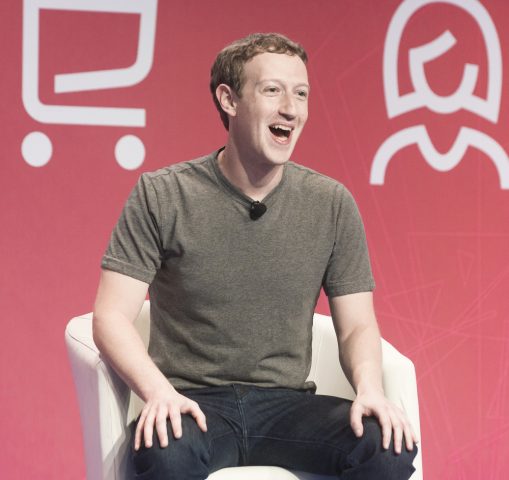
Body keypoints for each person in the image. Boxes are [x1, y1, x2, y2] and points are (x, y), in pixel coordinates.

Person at [92, 32, 418, 479]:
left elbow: (357, 324)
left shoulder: (331, 203)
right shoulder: (163, 194)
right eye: (272, 90)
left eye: (301, 94)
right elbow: (110, 316)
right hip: (193, 403)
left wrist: (370, 388)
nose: (291, 109)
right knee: (167, 451)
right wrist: (158, 392)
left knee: (387, 446)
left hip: (289, 407)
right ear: (229, 100)